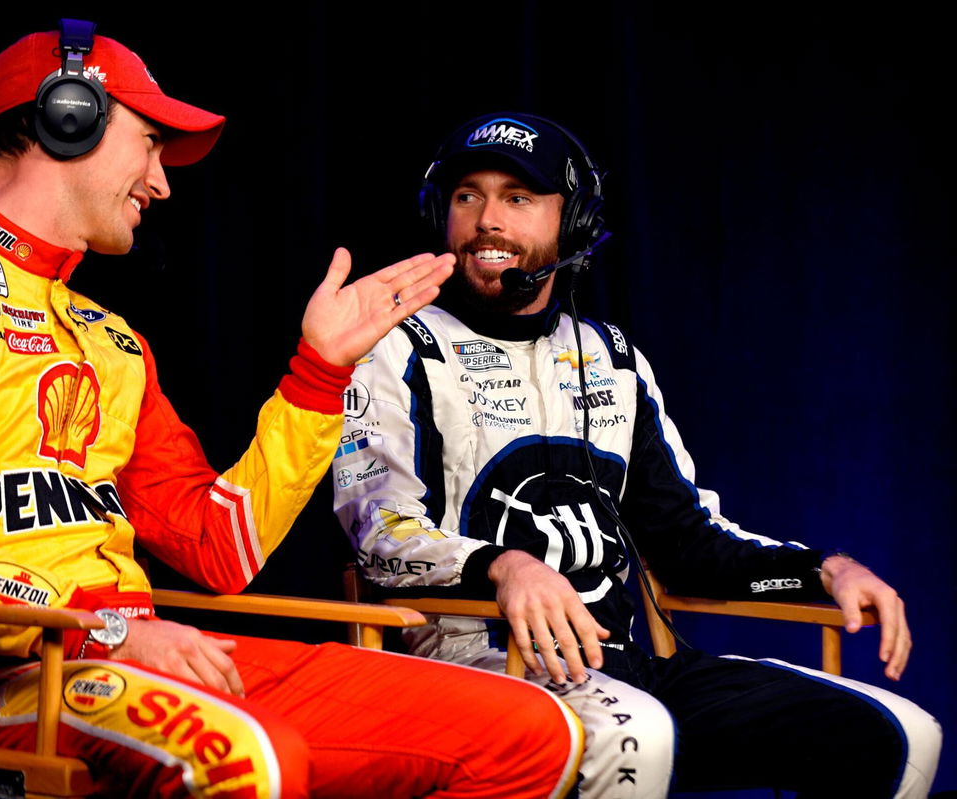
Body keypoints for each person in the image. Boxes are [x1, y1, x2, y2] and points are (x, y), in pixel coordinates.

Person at [0, 26, 587, 798]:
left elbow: (219, 546)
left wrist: (319, 374)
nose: (162, 182)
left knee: (534, 730)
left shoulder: (112, 340)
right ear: (72, 116)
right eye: (150, 143)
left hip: (142, 656)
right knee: (250, 757)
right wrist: (101, 630)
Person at [333, 112, 942, 798]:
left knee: (898, 732)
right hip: (467, 662)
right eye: (467, 195)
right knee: (638, 736)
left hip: (621, 666)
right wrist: (505, 565)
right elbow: (378, 532)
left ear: (575, 222)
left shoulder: (611, 357)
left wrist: (820, 570)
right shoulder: (393, 344)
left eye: (519, 198)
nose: (487, 219)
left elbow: (688, 540)